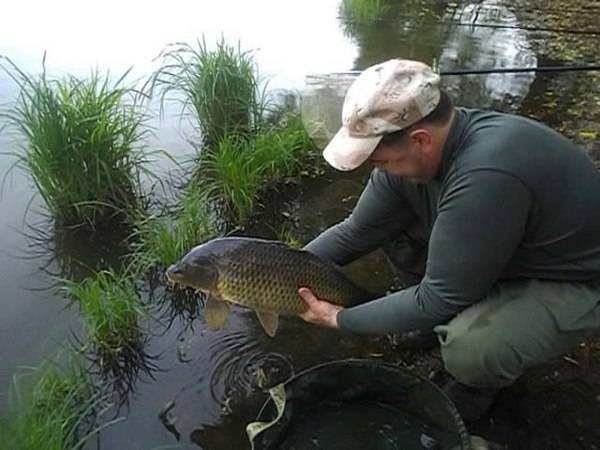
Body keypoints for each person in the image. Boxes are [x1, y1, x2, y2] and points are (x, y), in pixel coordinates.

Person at [296, 58, 600, 421]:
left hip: (573, 279)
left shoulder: (486, 174)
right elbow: (356, 232)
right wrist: (284, 268)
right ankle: (428, 326)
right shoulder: (426, 146)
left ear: (420, 139)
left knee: (471, 346)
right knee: (391, 230)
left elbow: (438, 297)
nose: (377, 170)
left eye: (380, 161)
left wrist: (341, 319)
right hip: (504, 248)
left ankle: (477, 384)